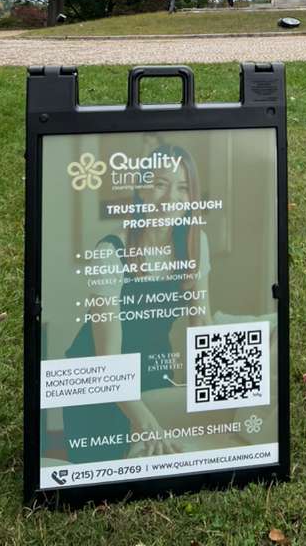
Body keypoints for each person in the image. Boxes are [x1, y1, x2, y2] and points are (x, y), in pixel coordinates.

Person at [63, 142, 211, 462]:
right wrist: (146, 422)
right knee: (101, 484)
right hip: (97, 380)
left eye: (183, 188)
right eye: (160, 185)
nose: (171, 198)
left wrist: (211, 402)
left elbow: (202, 325)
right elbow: (108, 361)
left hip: (153, 370)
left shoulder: (195, 244)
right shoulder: (110, 253)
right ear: (142, 190)